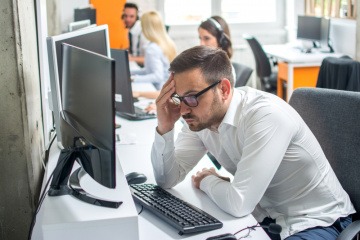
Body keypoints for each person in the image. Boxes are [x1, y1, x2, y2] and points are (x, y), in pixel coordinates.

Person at [150, 45, 355, 240]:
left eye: (192, 97)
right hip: (265, 217)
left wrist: (207, 180)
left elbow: (239, 203)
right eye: (178, 98)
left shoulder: (265, 115)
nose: (184, 110)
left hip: (318, 222)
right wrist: (165, 127)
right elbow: (167, 180)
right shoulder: (198, 119)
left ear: (223, 89)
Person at [130, 11, 177, 90]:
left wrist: (134, 79)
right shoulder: (167, 42)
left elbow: (157, 76)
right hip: (169, 88)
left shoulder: (152, 48)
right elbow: (149, 71)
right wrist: (131, 73)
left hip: (158, 90)